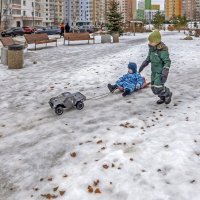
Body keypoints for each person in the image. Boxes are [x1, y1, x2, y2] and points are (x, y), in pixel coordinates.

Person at [139, 30, 172, 104]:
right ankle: (162, 97)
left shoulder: (162, 50)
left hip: (160, 72)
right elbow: (148, 58)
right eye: (149, 41)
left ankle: (167, 93)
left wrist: (165, 71)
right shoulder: (151, 49)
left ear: (157, 41)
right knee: (153, 88)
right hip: (153, 71)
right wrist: (143, 64)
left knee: (158, 86)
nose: (149, 43)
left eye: (151, 41)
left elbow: (167, 61)